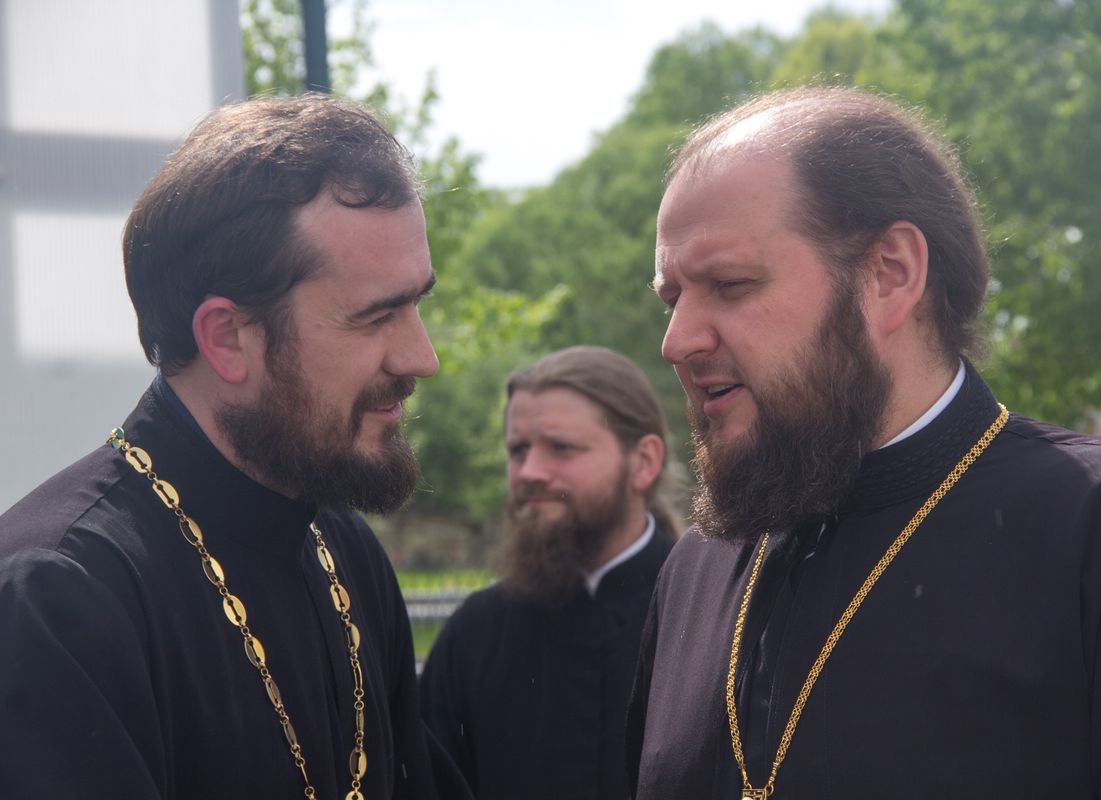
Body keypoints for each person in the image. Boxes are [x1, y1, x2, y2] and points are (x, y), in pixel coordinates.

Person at [627, 86, 1101, 799]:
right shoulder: (695, 570)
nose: (677, 340)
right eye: (672, 298)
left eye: (730, 284)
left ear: (889, 274)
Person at [0, 94, 470, 799]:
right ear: (227, 338)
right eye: (376, 317)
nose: (421, 358)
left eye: (416, 303)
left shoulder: (344, 548)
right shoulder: (56, 596)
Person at [421, 345, 679, 799]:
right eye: (518, 450)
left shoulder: (710, 621)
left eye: (561, 448)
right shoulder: (474, 635)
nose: (530, 471)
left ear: (643, 463)